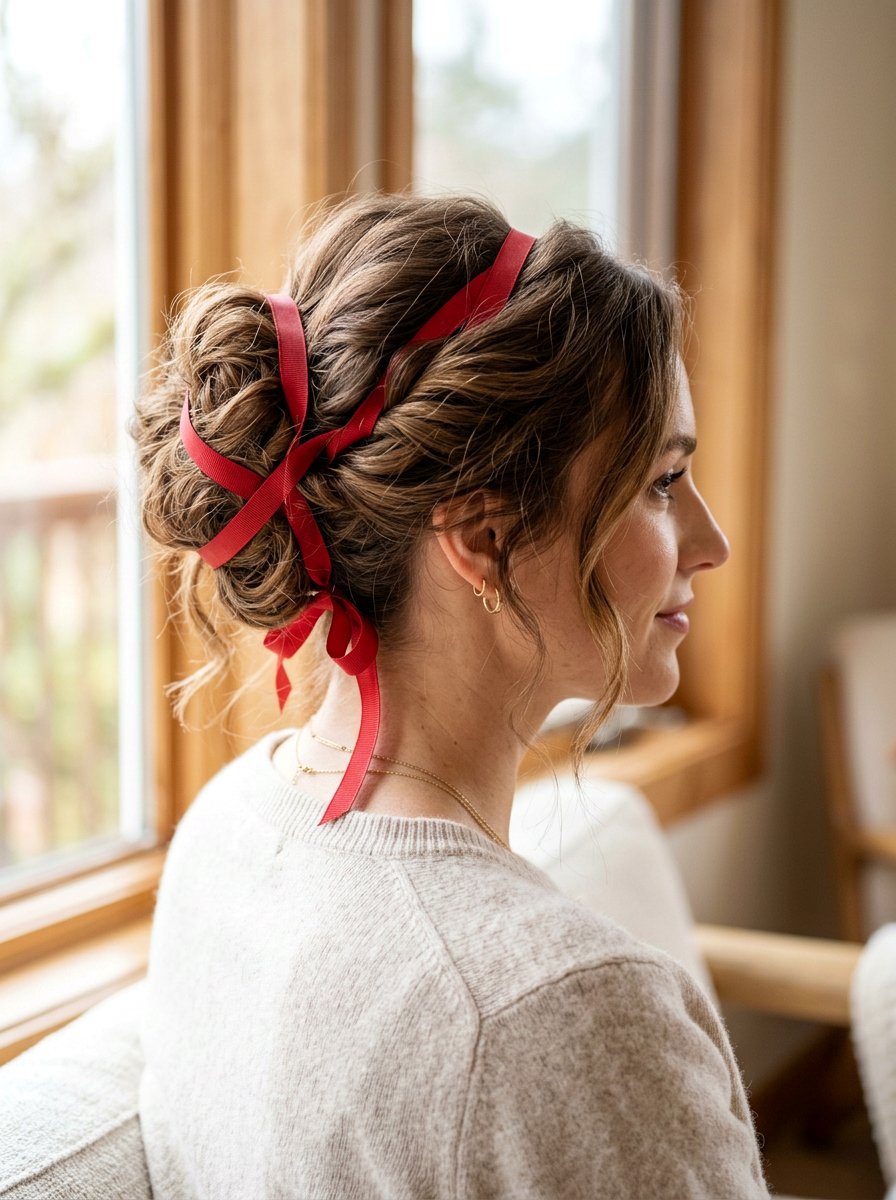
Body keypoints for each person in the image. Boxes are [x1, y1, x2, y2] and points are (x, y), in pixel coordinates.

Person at [133, 193, 769, 1198]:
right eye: (659, 481)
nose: (711, 542)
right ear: (483, 536)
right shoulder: (566, 1017)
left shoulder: (227, 828)